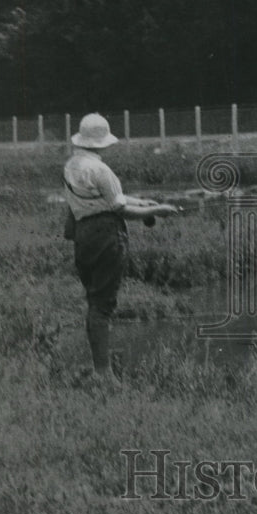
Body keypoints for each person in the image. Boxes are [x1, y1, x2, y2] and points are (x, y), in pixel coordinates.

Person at [63, 113, 178, 383]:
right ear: (104, 142)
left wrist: (145, 201)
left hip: (84, 236)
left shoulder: (71, 165)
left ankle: (99, 368)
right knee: (103, 305)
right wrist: (157, 210)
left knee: (94, 301)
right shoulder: (102, 170)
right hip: (106, 237)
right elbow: (119, 208)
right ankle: (103, 373)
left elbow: (104, 198)